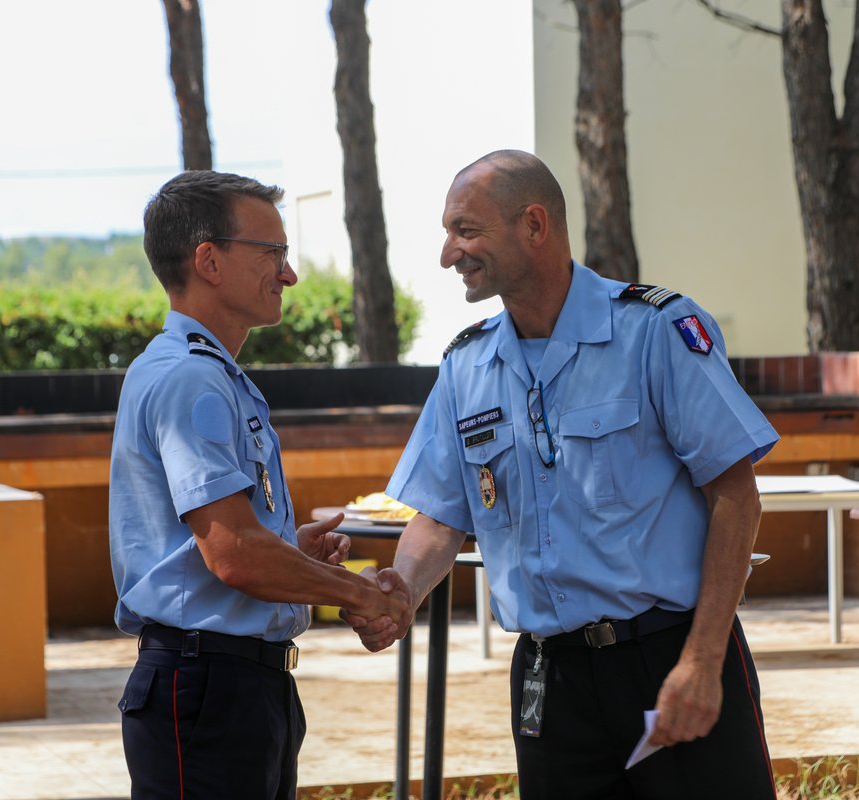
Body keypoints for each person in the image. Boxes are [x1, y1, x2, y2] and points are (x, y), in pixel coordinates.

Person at [348, 150, 781, 799]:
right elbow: (441, 515)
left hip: (668, 655)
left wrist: (702, 659)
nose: (448, 254)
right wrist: (403, 592)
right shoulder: (467, 365)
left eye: (466, 231)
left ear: (534, 225)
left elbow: (735, 496)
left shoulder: (654, 329)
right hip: (550, 679)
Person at [109, 170, 406, 800]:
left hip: (236, 687)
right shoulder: (191, 378)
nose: (289, 273)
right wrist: (358, 595)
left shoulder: (208, 373)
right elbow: (234, 553)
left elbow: (223, 543)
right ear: (208, 260)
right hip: (209, 689)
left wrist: (288, 551)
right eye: (272, 252)